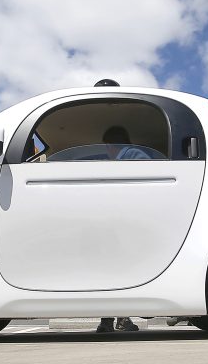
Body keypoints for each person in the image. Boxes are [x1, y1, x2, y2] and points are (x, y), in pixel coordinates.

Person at [95, 126, 143, 333]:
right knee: (118, 270)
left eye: (107, 146)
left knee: (111, 270)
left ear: (111, 145)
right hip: (121, 222)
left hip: (117, 222)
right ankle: (118, 320)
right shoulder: (129, 157)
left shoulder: (131, 155)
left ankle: (109, 321)